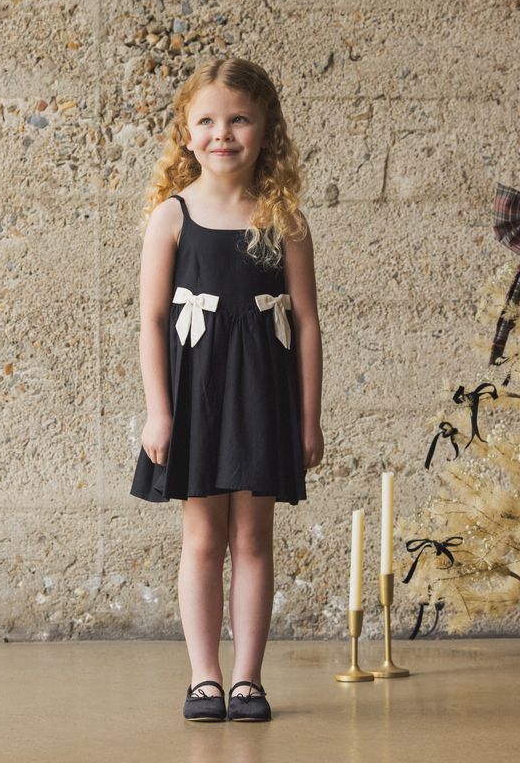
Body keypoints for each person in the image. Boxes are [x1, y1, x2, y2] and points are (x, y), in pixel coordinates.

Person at [130, 57, 324, 721]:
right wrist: (159, 412)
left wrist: (309, 419)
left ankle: (248, 678)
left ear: (266, 129)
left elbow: (307, 322)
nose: (223, 133)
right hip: (197, 396)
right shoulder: (172, 218)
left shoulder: (284, 220)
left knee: (254, 539)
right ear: (186, 133)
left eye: (239, 118)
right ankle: (204, 676)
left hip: (261, 395)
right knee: (203, 539)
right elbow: (152, 320)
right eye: (207, 121)